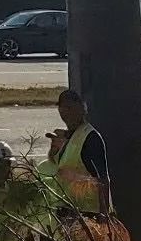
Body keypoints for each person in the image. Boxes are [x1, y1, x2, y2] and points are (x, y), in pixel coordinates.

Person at [41, 89, 111, 218]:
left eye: (70, 107)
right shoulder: (68, 136)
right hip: (67, 209)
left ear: (82, 109)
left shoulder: (90, 138)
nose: (67, 112)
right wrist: (54, 152)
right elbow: (58, 167)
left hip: (88, 213)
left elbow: (102, 180)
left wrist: (104, 215)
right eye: (63, 108)